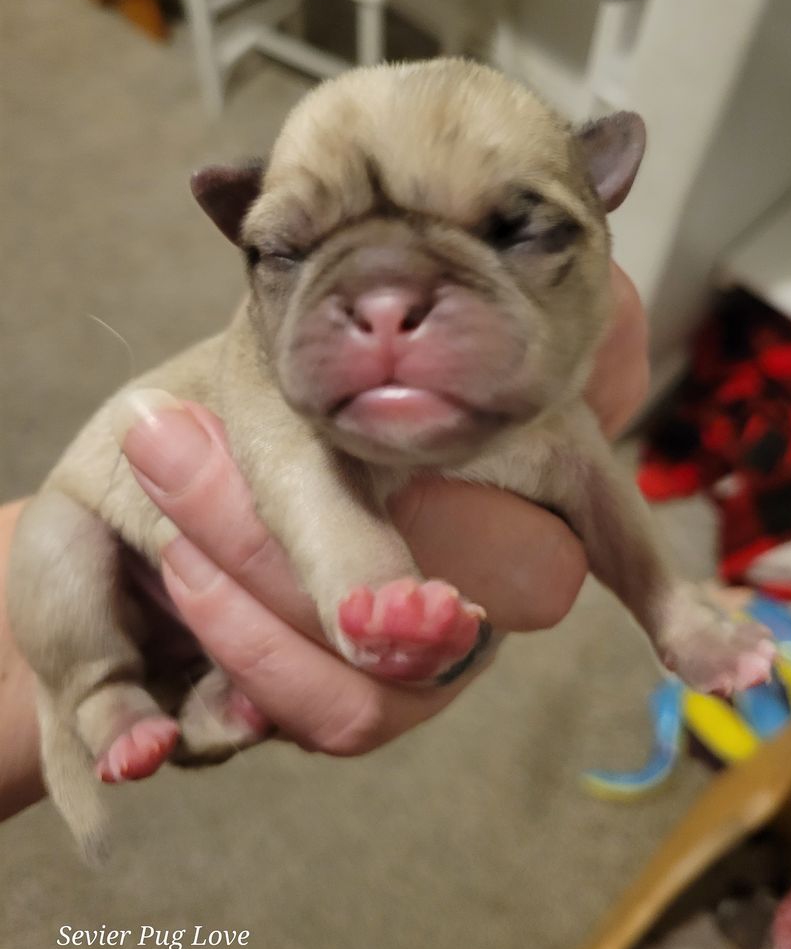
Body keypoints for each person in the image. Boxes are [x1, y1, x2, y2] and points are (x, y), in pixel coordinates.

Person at [0, 264, 648, 824]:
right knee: (60, 535)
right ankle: (102, 693)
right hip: (108, 534)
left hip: (213, 621)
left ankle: (197, 689)